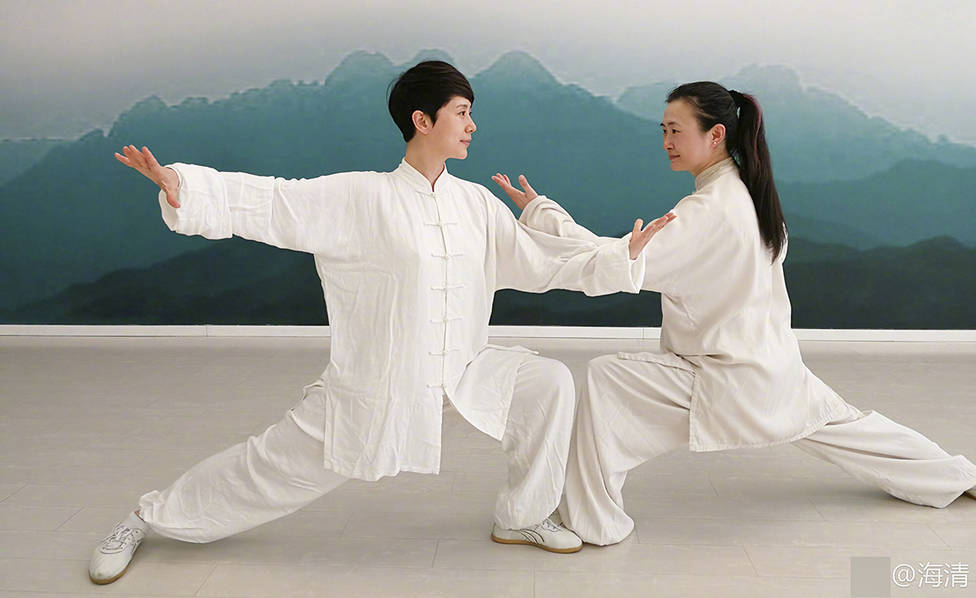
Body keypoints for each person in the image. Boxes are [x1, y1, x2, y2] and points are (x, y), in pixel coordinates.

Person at [88, 61, 675, 584]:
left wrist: (617, 254)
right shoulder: (362, 197)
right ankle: (146, 517)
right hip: (377, 385)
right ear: (422, 120)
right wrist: (187, 187)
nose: (472, 126)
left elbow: (539, 258)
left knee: (547, 383)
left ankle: (522, 517)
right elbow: (275, 202)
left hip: (463, 372)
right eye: (462, 113)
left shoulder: (475, 203)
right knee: (269, 469)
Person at [493, 81, 976, 546]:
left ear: (716, 134)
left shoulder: (707, 210)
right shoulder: (747, 192)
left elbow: (617, 263)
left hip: (728, 377)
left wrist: (542, 214)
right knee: (851, 429)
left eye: (676, 130)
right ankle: (959, 475)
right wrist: (547, 215)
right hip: (774, 368)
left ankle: (595, 522)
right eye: (663, 130)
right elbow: (626, 256)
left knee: (607, 379)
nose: (666, 142)